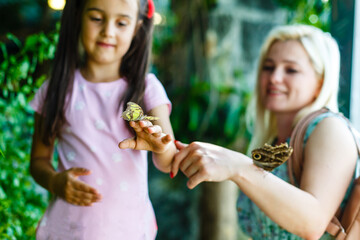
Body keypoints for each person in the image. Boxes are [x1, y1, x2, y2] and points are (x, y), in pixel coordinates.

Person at [171, 24, 359, 240]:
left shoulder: (329, 128)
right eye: (268, 67)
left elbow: (313, 223)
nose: (275, 78)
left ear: (320, 82)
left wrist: (239, 167)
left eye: (291, 70)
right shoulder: (273, 141)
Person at [29, 0, 176, 239]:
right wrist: (55, 181)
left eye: (121, 23)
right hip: (67, 230)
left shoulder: (146, 88)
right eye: (97, 18)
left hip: (127, 230)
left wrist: (161, 145)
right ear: (78, 17)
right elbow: (38, 160)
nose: (108, 31)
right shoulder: (55, 89)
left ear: (137, 27)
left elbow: (167, 160)